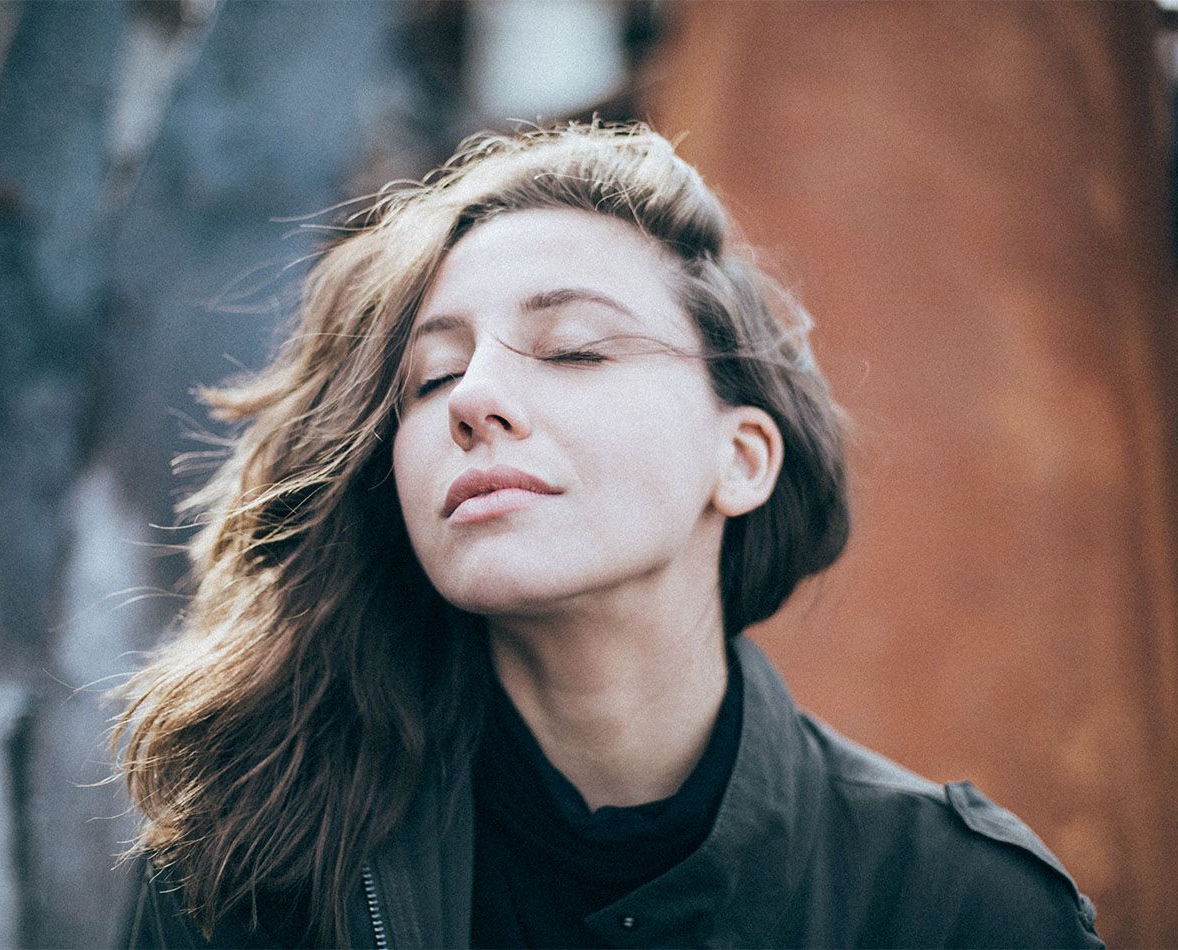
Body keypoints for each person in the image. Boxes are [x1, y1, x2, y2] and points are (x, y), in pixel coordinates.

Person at [116, 122, 1104, 949]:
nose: (474, 398)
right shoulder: (244, 865)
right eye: (430, 376)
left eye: (574, 349)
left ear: (741, 458)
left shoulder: (960, 910)